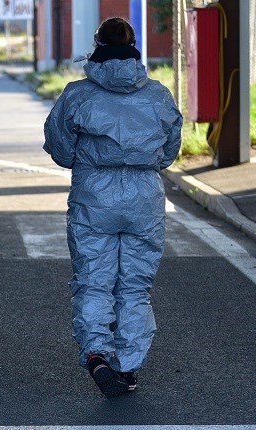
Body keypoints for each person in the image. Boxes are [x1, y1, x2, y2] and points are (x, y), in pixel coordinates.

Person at [43, 17, 183, 398]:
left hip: (94, 194)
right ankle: (129, 365)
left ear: (96, 46)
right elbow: (169, 152)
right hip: (144, 195)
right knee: (135, 287)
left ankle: (97, 355)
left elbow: (59, 148)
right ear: (134, 47)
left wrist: (86, 159)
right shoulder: (158, 95)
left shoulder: (78, 94)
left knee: (94, 281)